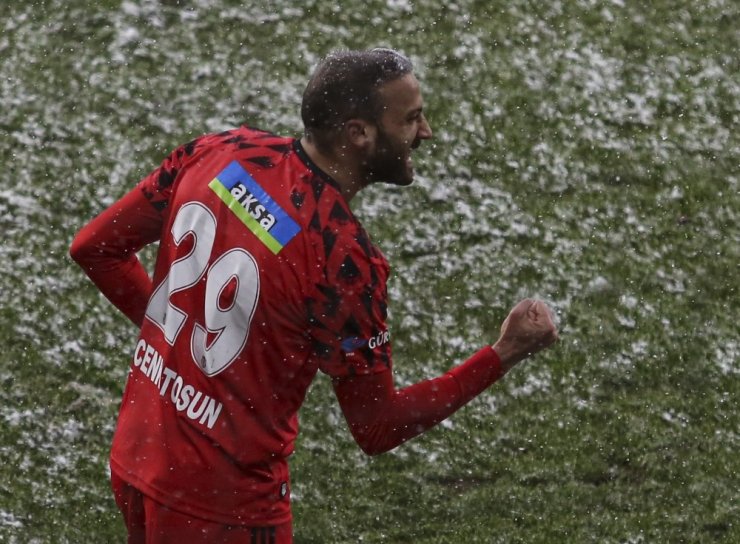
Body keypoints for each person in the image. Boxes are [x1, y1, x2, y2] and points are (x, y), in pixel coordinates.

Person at [70, 48, 558, 544]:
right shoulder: (342, 259)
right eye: (410, 119)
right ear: (359, 134)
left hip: (137, 455)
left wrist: (178, 332)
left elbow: (96, 249)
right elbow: (378, 426)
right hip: (225, 509)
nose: (425, 131)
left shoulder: (218, 151)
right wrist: (505, 352)